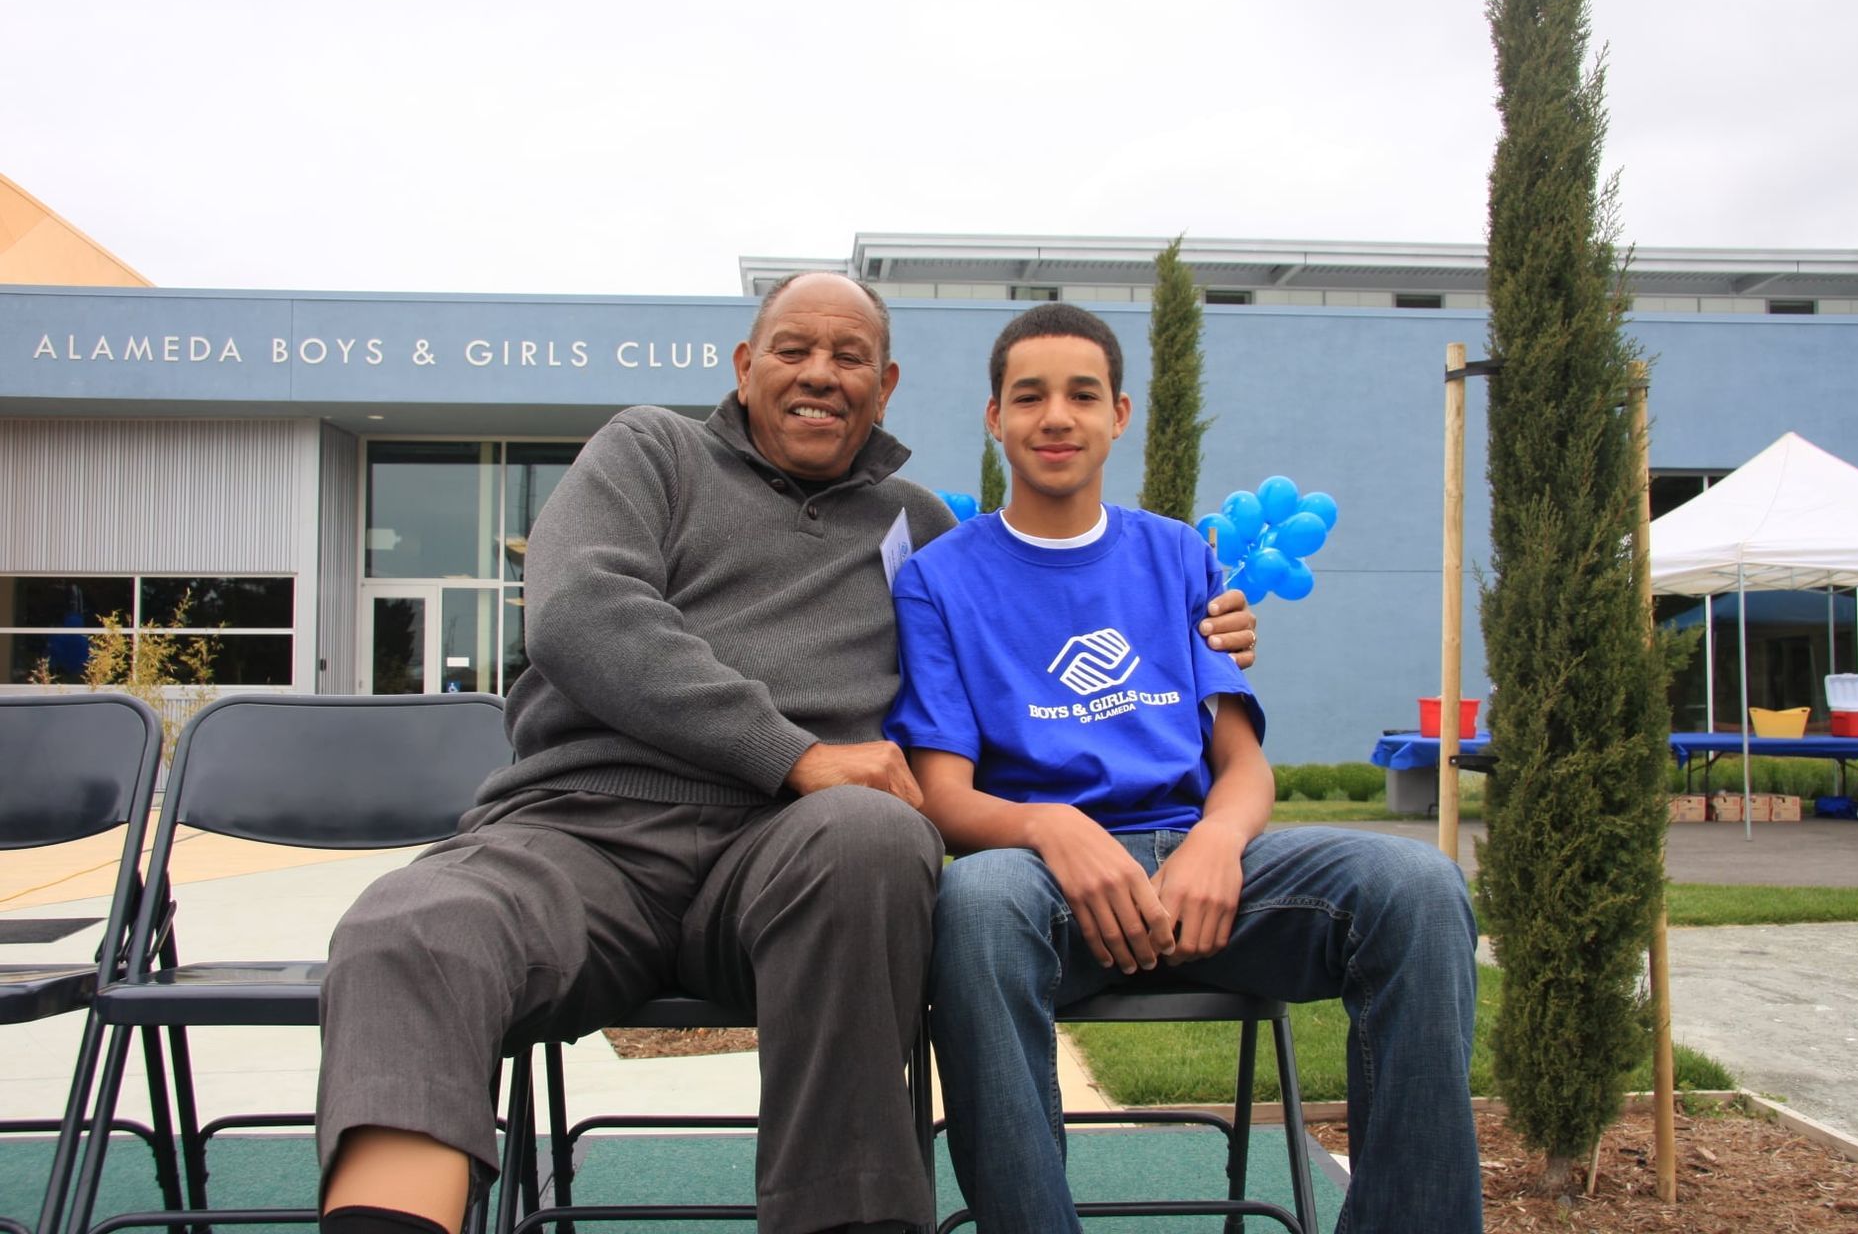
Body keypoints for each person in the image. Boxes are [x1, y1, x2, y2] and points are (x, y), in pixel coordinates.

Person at [314, 274, 1259, 1234]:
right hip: (584, 835)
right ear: (745, 366)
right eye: (794, 349)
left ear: (884, 387)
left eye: (850, 357)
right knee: (417, 926)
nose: (821, 374)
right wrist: (791, 752)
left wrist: (1200, 628)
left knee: (872, 838)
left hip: (789, 861)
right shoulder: (652, 450)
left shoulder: (920, 531)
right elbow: (579, 613)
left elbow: (1035, 623)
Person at [884, 302, 1482, 1234]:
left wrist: (1217, 842)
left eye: (1082, 395)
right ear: (992, 417)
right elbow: (944, 795)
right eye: (1029, 395)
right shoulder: (938, 578)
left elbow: (1242, 764)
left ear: (1119, 415)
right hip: (1042, 883)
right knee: (974, 908)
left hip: (1205, 870)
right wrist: (1051, 826)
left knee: (1419, 887)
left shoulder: (1178, 554)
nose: (1056, 417)